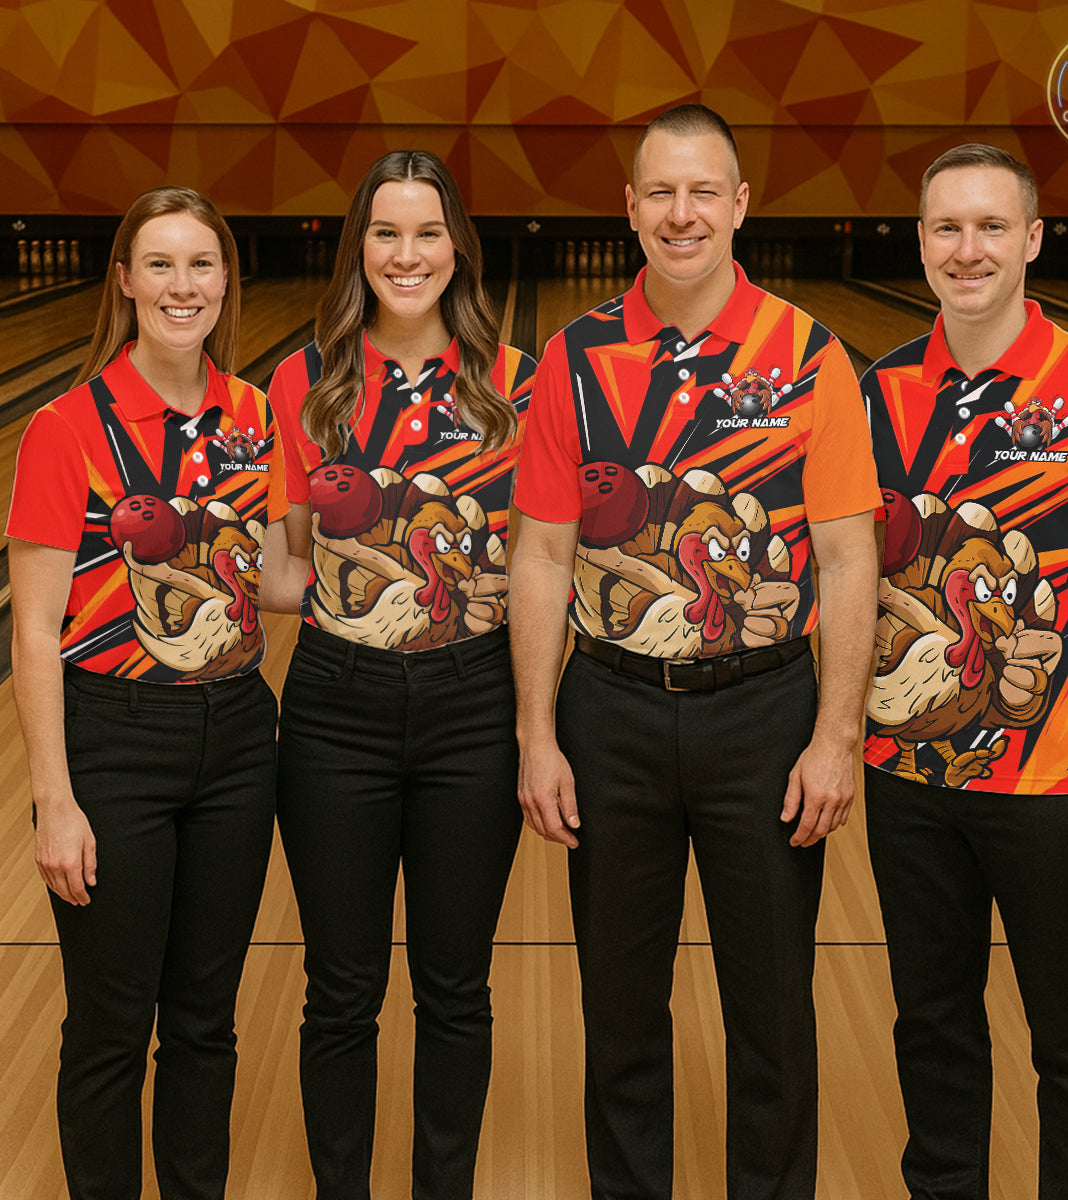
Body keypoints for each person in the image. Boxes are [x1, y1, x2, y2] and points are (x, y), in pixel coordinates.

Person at [509, 104, 881, 1199]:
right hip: (610, 711)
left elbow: (848, 559)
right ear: (629, 209)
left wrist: (837, 737)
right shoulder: (574, 358)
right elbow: (542, 554)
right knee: (620, 1010)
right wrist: (536, 733)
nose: (682, 214)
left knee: (773, 1012)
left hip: (765, 716)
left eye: (703, 191)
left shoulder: (808, 355)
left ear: (740, 205)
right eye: (661, 194)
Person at [860, 144, 1068, 1200]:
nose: (969, 250)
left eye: (992, 226)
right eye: (947, 228)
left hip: (1058, 786)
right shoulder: (875, 394)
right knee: (932, 1023)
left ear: (1033, 239)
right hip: (907, 779)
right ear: (921, 242)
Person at [8, 186, 288, 1199]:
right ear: (124, 279)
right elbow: (34, 632)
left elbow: (275, 576)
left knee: (206, 1022)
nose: (183, 285)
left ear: (226, 280)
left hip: (239, 737)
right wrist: (55, 799)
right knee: (111, 1027)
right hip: (113, 743)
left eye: (201, 264)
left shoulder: (257, 415)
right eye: (160, 264)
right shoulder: (65, 429)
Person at [267, 150, 534, 1200]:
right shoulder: (306, 383)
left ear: (458, 248)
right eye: (386, 233)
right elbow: (290, 561)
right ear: (359, 248)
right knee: (340, 991)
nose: (407, 254)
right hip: (336, 708)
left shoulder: (516, 385)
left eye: (428, 234)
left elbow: (543, 561)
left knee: (455, 990)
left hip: (477, 706)